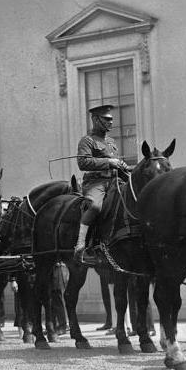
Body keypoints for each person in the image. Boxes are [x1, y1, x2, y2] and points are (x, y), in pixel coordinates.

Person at [73, 105, 129, 265]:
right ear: (96, 120)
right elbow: (83, 162)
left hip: (114, 181)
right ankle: (81, 244)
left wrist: (122, 166)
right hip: (96, 183)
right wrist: (109, 162)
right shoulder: (87, 140)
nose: (111, 122)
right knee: (95, 207)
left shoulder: (111, 142)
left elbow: (115, 164)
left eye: (111, 119)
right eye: (107, 119)